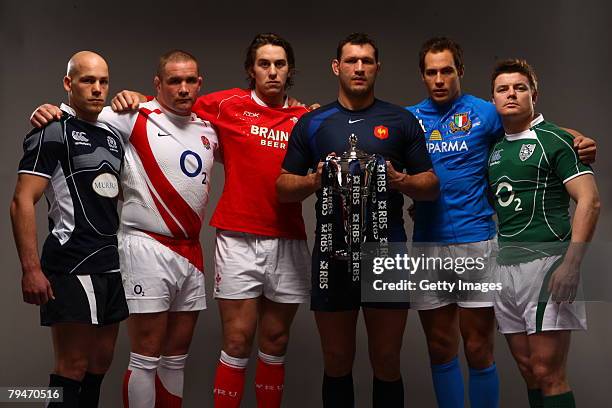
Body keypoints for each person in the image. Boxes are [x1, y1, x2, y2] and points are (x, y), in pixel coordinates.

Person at [109, 33, 312, 408]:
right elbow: (170, 106)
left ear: (290, 71)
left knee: (275, 343)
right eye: (263, 64)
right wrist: (133, 98)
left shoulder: (305, 118)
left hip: (287, 237)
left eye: (279, 64)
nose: (271, 72)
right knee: (234, 342)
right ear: (251, 70)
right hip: (235, 238)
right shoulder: (223, 105)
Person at [405, 37, 597, 408]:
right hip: (432, 243)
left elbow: (533, 129)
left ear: (460, 71)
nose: (440, 79)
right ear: (423, 76)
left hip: (483, 243)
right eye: (432, 72)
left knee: (484, 349)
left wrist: (577, 140)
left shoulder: (486, 112)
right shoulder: (409, 118)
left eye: (447, 70)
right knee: (448, 348)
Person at [29, 50, 218, 408]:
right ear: (158, 85)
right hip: (140, 247)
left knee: (162, 358)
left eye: (189, 80)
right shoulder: (134, 115)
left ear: (199, 84)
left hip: (187, 251)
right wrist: (45, 110)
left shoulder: (208, 128)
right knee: (130, 358)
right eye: (174, 81)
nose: (182, 88)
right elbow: (77, 111)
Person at [277, 32, 439, 407]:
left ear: (377, 67)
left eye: (367, 61)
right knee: (336, 360)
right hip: (331, 253)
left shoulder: (400, 120)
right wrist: (313, 180)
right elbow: (283, 187)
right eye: (352, 60)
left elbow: (430, 185)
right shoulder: (314, 122)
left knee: (386, 359)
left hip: (387, 252)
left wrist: (401, 180)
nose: (359, 67)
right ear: (337, 67)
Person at [11, 51, 128, 407]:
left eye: (103, 81)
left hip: (110, 265)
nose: (97, 89)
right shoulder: (52, 131)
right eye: (87, 80)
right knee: (71, 368)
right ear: (68, 83)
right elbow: (21, 202)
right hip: (71, 264)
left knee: (99, 365)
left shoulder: (111, 135)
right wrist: (31, 269)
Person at [488, 59, 599, 408]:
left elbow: (590, 201)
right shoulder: (494, 147)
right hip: (505, 267)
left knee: (548, 372)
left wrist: (572, 264)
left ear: (534, 94)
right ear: (493, 100)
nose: (511, 94)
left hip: (548, 263)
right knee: (528, 369)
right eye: (503, 89)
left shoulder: (557, 140)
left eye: (519, 88)